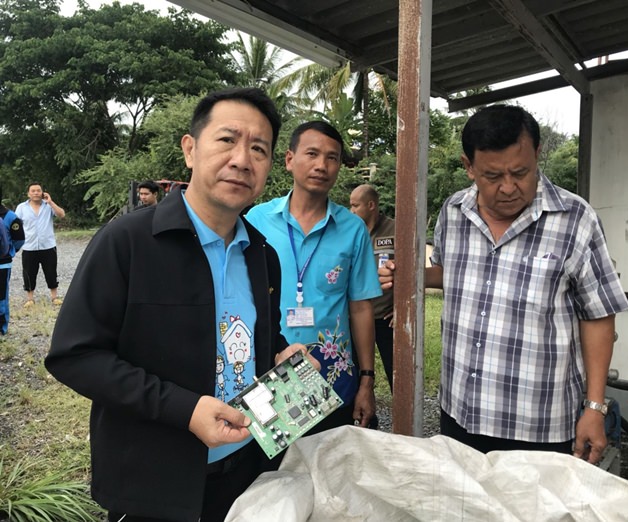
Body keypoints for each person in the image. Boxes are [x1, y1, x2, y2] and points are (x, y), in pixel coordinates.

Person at [45, 87, 318, 522]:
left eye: (259, 149)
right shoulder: (127, 242)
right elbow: (75, 355)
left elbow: (253, 336)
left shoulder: (261, 255)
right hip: (154, 484)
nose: (242, 159)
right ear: (190, 149)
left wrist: (283, 353)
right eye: (227, 140)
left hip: (247, 472)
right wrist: (185, 409)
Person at [379, 105, 628, 464]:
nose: (509, 187)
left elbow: (598, 315)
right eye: (493, 176)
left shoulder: (576, 219)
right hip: (460, 412)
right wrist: (412, 276)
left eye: (521, 172)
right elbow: (455, 275)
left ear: (537, 154)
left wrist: (594, 407)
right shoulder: (453, 212)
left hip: (539, 423)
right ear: (469, 167)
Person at [246, 121, 381, 432]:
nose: (322, 165)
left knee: (328, 464)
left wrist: (367, 380)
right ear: (290, 159)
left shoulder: (352, 229)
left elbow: (361, 307)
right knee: (273, 469)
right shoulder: (256, 220)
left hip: (332, 373)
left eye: (332, 158)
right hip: (268, 368)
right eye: (312, 154)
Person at [349, 184, 395, 391]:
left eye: (355, 206)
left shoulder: (396, 230)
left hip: (386, 318)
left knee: (398, 375)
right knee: (358, 378)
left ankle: (404, 421)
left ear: (371, 205)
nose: (351, 211)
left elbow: (412, 271)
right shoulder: (349, 232)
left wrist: (402, 308)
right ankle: (366, 419)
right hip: (356, 319)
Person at [15, 182, 65, 306]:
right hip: (29, 246)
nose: (36, 193)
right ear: (28, 193)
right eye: (33, 191)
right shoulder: (21, 207)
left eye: (38, 190)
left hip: (47, 245)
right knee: (29, 272)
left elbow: (61, 215)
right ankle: (30, 299)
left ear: (42, 192)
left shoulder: (48, 206)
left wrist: (51, 202)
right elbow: (15, 225)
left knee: (51, 271)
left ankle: (54, 297)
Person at [0, 187, 25, 335]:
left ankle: (2, 328)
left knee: (1, 296)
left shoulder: (11, 217)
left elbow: (19, 240)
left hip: (3, 264)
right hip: (3, 261)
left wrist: (9, 252)